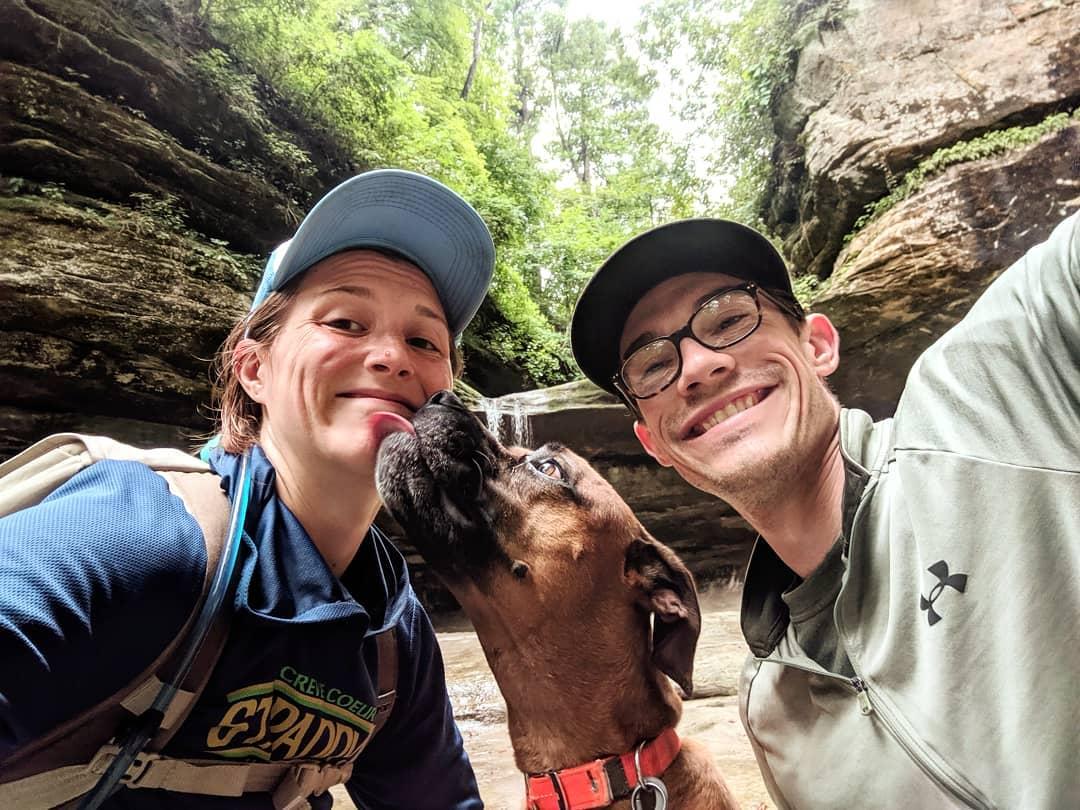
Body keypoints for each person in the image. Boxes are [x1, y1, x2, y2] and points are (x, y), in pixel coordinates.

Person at [0, 169, 494, 808]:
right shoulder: (142, 530)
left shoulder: (394, 636)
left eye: (424, 339)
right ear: (255, 370)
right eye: (345, 321)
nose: (394, 356)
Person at [569, 214, 1080, 809]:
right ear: (655, 444)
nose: (697, 368)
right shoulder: (772, 710)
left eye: (730, 319)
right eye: (654, 366)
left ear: (817, 346)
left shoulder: (991, 391)